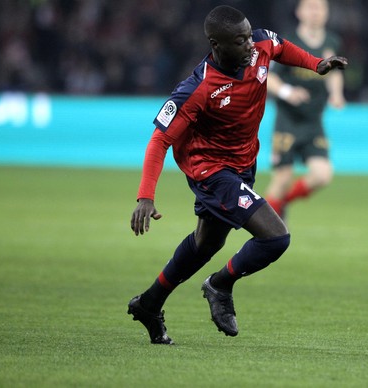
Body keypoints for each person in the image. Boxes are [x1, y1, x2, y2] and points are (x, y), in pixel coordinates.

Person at [127, 5, 347, 344]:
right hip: (211, 171)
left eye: (249, 36)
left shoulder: (259, 47)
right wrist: (145, 195)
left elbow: (281, 47)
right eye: (240, 41)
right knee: (275, 238)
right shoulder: (197, 88)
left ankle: (150, 303)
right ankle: (220, 285)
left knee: (208, 242)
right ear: (217, 44)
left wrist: (316, 64)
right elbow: (159, 141)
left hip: (243, 165)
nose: (250, 45)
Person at [264, 0, 345, 218]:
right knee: (282, 178)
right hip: (287, 119)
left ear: (327, 13)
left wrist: (336, 94)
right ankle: (266, 228)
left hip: (313, 121)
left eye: (320, 8)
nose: (315, 12)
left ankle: (283, 204)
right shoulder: (287, 42)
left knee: (322, 175)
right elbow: (268, 76)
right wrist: (288, 92)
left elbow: (335, 72)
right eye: (310, 7)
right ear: (299, 12)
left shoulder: (331, 42)